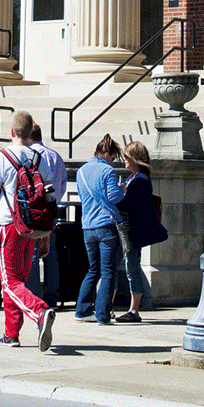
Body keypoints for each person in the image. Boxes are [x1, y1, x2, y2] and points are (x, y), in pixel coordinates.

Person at [0, 110, 56, 350]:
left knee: (10, 282)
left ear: (11, 132)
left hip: (8, 225)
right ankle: (11, 333)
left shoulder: (2, 156)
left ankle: (40, 313)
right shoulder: (39, 159)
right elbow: (49, 198)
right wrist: (46, 236)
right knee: (17, 280)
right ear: (31, 132)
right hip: (32, 227)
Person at [75, 133, 124, 325]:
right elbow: (113, 196)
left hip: (87, 225)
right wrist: (123, 190)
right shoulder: (108, 171)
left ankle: (82, 309)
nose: (112, 161)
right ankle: (103, 314)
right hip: (105, 225)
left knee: (92, 269)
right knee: (108, 271)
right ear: (106, 153)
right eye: (112, 157)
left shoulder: (81, 171)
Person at [115, 141, 166, 323]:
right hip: (131, 230)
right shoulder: (135, 178)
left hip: (134, 232)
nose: (124, 161)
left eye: (127, 158)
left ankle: (134, 309)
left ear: (135, 159)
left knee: (132, 268)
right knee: (127, 266)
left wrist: (116, 195)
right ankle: (125, 308)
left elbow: (124, 204)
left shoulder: (141, 180)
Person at [25, 122, 67, 310]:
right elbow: (63, 184)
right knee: (51, 255)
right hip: (53, 208)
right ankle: (52, 297)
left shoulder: (29, 156)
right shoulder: (55, 156)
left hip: (35, 210)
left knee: (33, 253)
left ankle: (34, 296)